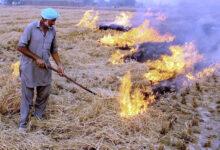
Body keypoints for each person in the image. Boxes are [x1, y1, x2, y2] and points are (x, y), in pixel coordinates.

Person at [17, 8, 64, 129]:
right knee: (27, 97)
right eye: (52, 20)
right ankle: (23, 123)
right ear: (44, 19)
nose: (54, 23)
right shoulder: (31, 28)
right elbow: (21, 47)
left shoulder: (52, 31)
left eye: (55, 20)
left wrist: (59, 65)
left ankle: (37, 117)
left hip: (44, 68)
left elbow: (53, 50)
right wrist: (36, 58)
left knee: (44, 93)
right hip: (29, 68)